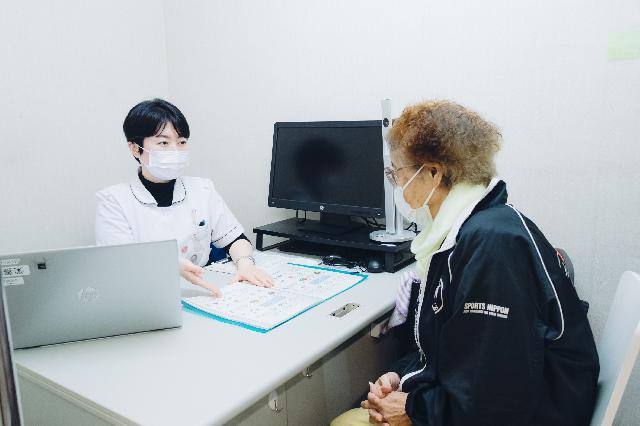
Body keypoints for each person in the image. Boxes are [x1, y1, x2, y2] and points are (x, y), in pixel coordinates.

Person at [331, 100, 599, 425]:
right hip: (488, 402)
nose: (397, 186)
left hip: (534, 414)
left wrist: (412, 407)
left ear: (432, 172)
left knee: (346, 422)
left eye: (396, 173)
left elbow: (496, 400)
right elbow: (458, 351)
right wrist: (400, 377)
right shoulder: (469, 230)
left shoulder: (492, 246)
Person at [95, 99, 273, 296]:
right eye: (163, 142)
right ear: (135, 148)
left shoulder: (202, 189)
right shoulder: (113, 201)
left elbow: (235, 239)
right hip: (147, 294)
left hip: (205, 290)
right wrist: (167, 265)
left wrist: (245, 264)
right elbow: (120, 263)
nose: (175, 150)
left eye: (181, 142)